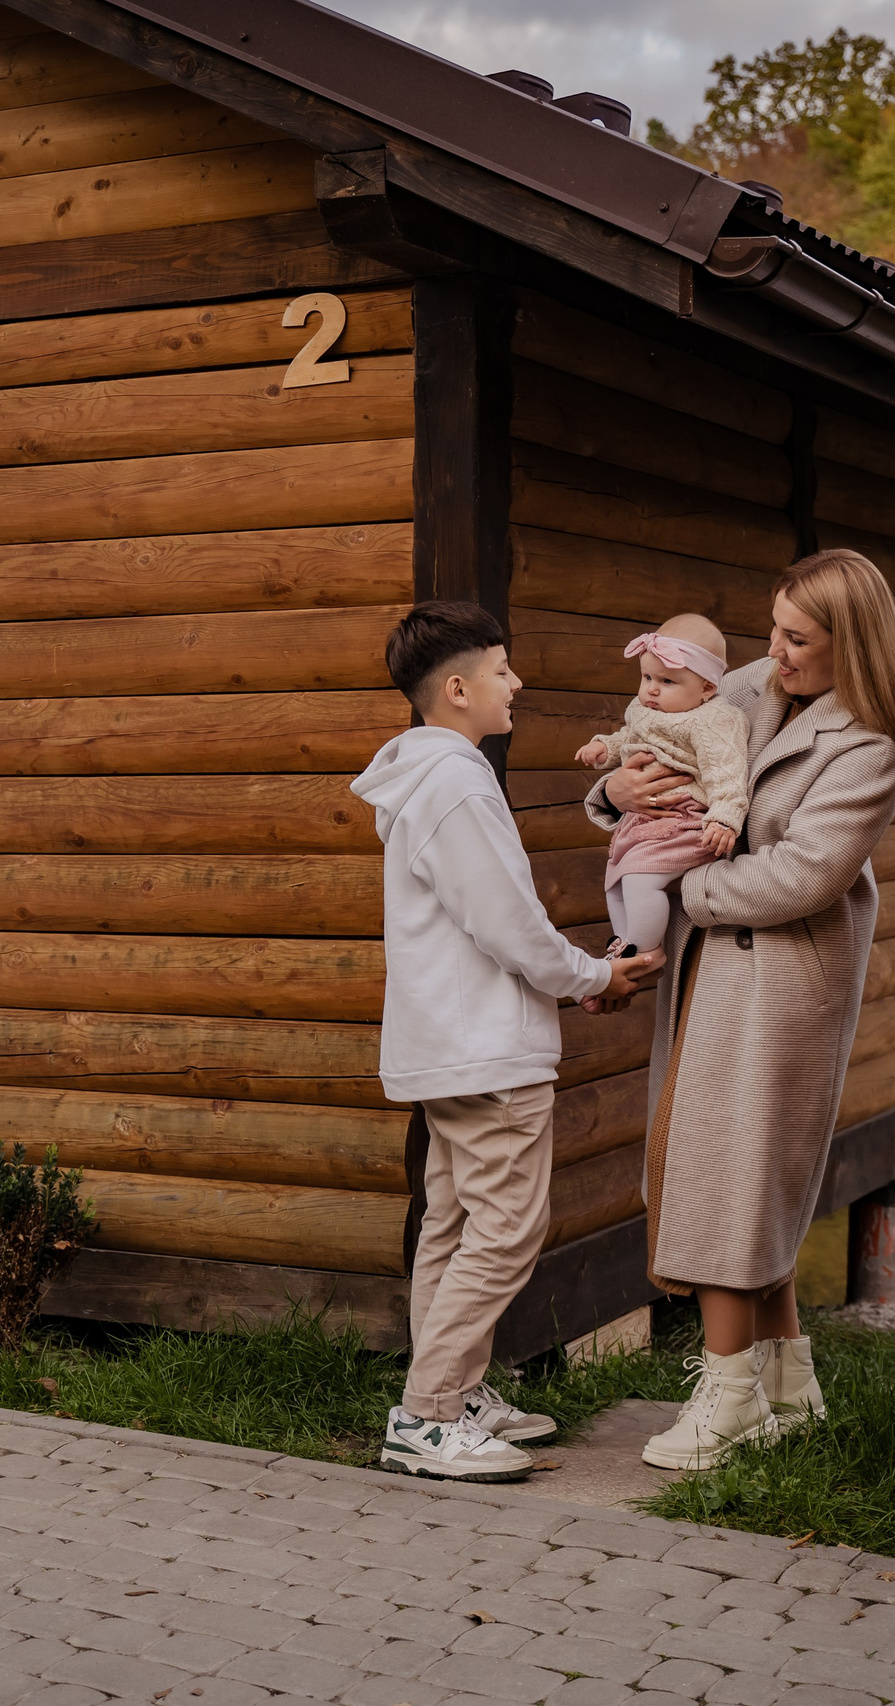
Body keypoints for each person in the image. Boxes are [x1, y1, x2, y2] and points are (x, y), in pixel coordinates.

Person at [581, 551, 895, 1471]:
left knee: (732, 1166)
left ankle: (727, 1397)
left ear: (852, 644)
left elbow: (808, 873)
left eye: (797, 638)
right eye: (774, 628)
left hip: (780, 976)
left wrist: (683, 890)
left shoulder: (870, 746)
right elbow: (655, 729)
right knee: (739, 1166)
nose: (774, 651)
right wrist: (614, 794)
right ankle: (786, 1380)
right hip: (715, 965)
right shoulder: (755, 685)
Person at [351, 600, 665, 1482]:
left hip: (448, 1048)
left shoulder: (425, 778)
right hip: (485, 1051)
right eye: (501, 670)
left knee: (451, 1226)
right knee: (505, 1231)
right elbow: (508, 924)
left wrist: (577, 978)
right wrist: (595, 976)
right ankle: (427, 1415)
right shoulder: (455, 782)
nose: (516, 682)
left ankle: (458, 1390)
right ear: (456, 689)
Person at [572, 611, 752, 961]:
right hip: (643, 820)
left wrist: (724, 817)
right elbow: (629, 738)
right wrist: (604, 748)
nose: (652, 689)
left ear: (707, 688)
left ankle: (645, 948)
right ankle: (625, 942)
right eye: (647, 676)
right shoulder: (646, 709)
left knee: (641, 881)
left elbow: (727, 770)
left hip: (684, 819)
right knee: (616, 881)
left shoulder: (714, 720)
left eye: (667, 681)